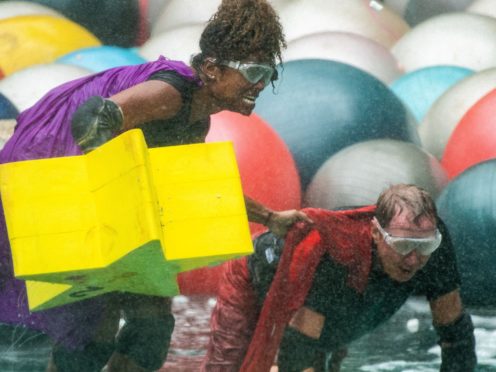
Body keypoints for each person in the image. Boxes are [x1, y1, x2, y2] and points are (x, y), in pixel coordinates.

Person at [0, 1, 312, 371]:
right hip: (59, 180)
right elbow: (95, 116)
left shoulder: (195, 121)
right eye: (253, 71)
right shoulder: (172, 93)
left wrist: (270, 217)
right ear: (212, 69)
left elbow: (193, 186)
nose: (261, 84)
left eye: (269, 73)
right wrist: (115, 184)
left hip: (114, 209)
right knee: (94, 334)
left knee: (151, 329)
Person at [202, 184, 477, 372]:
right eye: (402, 246)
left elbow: (455, 335)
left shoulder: (434, 246)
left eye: (424, 247)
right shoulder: (337, 254)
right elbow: (297, 352)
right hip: (255, 273)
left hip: (335, 305)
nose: (414, 259)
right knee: (228, 365)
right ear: (375, 234)